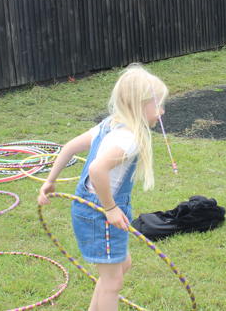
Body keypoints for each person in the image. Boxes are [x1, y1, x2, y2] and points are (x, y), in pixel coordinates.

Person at [38, 64, 168, 311]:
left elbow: (69, 147)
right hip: (100, 215)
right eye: (158, 104)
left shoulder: (110, 124)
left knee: (123, 265)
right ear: (138, 105)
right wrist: (109, 208)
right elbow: (97, 169)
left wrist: (50, 180)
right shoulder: (128, 138)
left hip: (91, 211)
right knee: (113, 281)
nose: (161, 111)